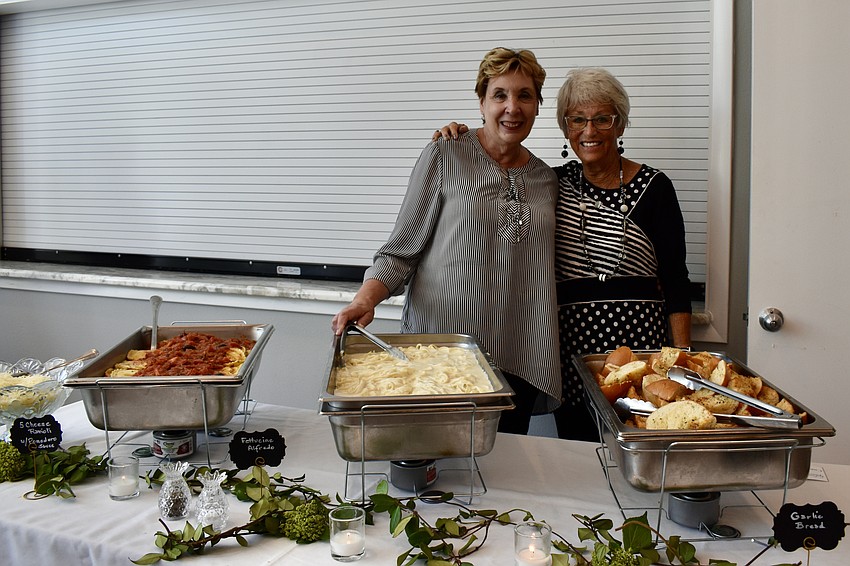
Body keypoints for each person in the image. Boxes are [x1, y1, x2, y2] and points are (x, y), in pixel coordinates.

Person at [434, 67, 692, 441]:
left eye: (602, 119)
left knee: (640, 446)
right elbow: (493, 182)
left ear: (619, 125)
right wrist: (462, 140)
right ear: (566, 128)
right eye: (577, 120)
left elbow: (676, 278)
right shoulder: (549, 182)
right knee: (578, 454)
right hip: (571, 350)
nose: (589, 131)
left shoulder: (655, 188)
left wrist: (682, 356)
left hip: (640, 349)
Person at [332, 47, 562, 435]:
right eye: (500, 95)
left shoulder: (546, 179)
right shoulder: (445, 154)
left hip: (519, 355)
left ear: (538, 105)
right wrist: (363, 301)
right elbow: (401, 252)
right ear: (481, 102)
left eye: (525, 95)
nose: (512, 107)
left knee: (504, 465)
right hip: (441, 356)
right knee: (437, 460)